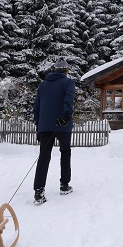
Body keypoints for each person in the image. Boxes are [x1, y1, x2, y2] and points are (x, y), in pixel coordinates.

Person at [32, 58, 76, 204]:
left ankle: (38, 191)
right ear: (66, 71)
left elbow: (36, 108)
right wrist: (65, 116)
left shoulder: (43, 85)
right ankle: (64, 185)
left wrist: (38, 126)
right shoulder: (68, 83)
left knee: (44, 157)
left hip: (45, 126)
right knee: (65, 152)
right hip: (62, 125)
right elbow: (68, 101)